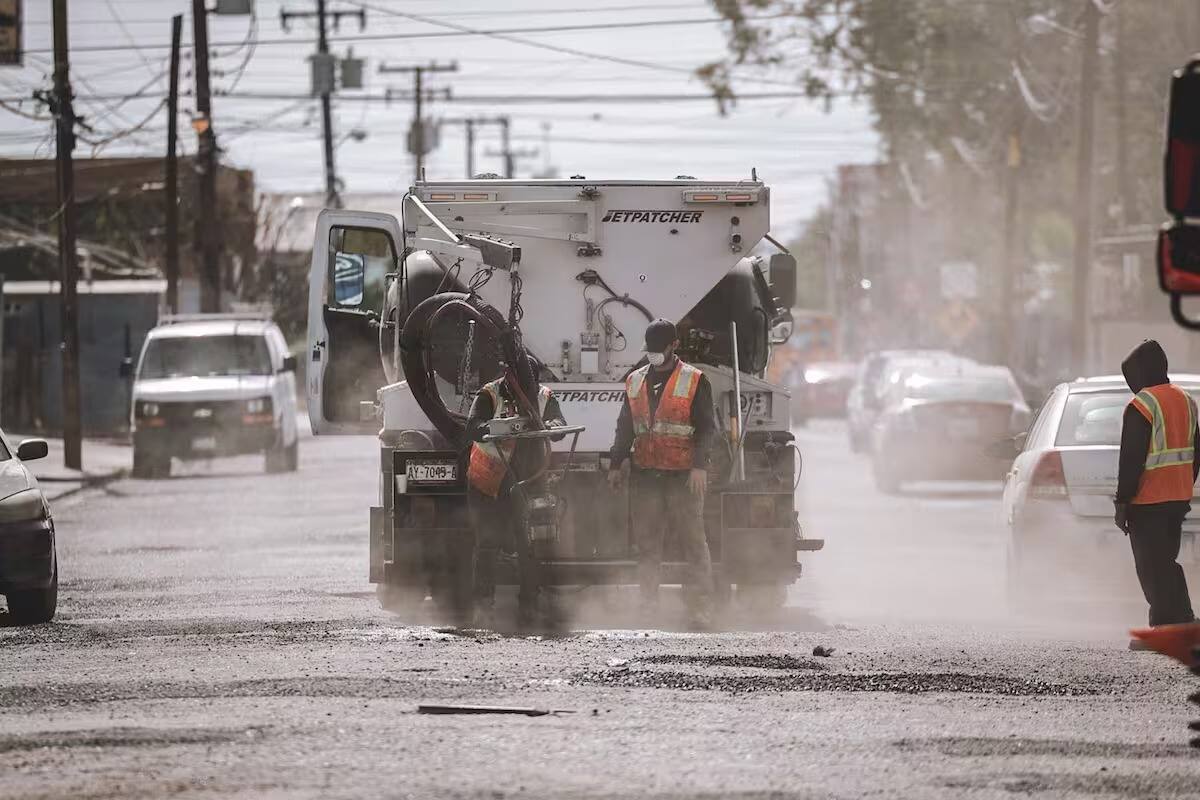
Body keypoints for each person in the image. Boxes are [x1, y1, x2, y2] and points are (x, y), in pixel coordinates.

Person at [608, 318, 716, 629]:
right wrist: (615, 464)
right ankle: (648, 607)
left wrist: (699, 466)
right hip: (646, 475)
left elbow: (707, 429)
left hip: (682, 477)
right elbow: (625, 427)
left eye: (659, 349)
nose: (653, 354)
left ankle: (699, 609)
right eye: (650, 349)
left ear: (674, 346)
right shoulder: (635, 380)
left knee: (693, 543)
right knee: (647, 546)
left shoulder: (694, 380)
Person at [465, 356, 565, 629]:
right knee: (487, 543)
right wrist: (493, 428)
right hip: (489, 483)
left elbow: (558, 425)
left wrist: (551, 426)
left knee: (528, 545)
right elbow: (472, 427)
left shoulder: (544, 397)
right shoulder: (489, 394)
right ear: (509, 378)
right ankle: (483, 608)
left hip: (528, 482)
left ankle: (529, 608)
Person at [1114, 339, 1199, 642]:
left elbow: (1131, 459)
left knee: (1151, 567)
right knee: (1166, 562)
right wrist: (1184, 483)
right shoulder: (1186, 400)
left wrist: (1123, 503)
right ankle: (1183, 621)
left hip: (1148, 499)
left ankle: (1165, 628)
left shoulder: (1142, 405)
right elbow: (1196, 451)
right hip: (1177, 496)